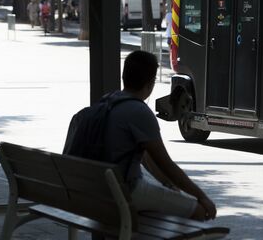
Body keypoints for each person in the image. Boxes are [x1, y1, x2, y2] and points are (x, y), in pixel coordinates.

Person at [66, 51, 217, 221]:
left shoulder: (107, 101)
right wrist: (202, 197)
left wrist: (168, 186)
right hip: (124, 190)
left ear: (124, 76)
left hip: (94, 189)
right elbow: (165, 164)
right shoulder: (139, 112)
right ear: (150, 83)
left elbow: (147, 158)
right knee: (198, 211)